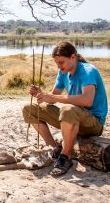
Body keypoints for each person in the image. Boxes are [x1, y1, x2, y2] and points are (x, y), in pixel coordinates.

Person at [22, 41, 108, 176]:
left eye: (61, 62)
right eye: (56, 63)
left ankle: (65, 157)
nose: (59, 66)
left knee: (67, 109)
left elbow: (87, 100)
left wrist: (53, 98)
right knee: (29, 109)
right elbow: (53, 96)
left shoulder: (88, 71)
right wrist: (41, 94)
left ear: (73, 57)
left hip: (93, 123)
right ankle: (55, 149)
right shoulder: (63, 72)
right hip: (72, 117)